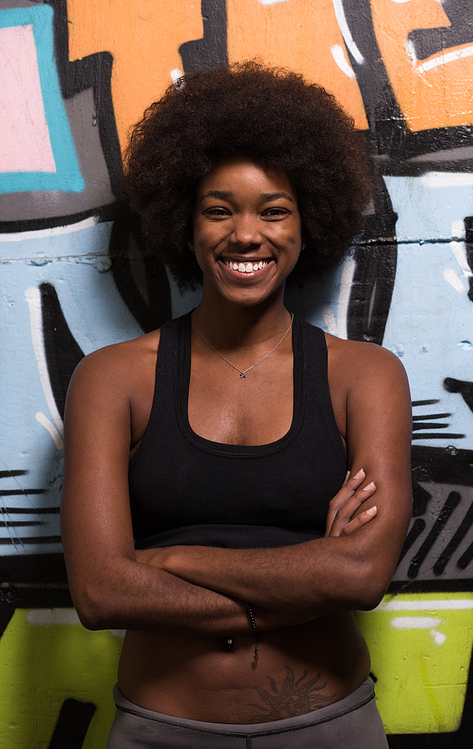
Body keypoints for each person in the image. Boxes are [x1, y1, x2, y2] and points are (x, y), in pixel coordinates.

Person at [61, 62, 412, 748]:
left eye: (273, 210)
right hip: (159, 729)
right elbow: (101, 592)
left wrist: (163, 561)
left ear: (308, 223)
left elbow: (361, 573)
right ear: (185, 226)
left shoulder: (365, 377)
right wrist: (307, 574)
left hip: (332, 727)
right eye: (219, 209)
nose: (245, 234)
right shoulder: (112, 380)